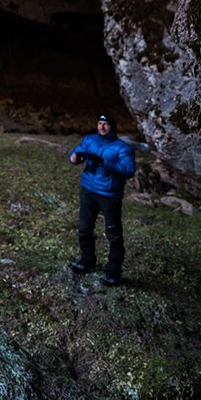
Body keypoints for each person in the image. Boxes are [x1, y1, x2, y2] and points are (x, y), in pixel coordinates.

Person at [67, 114, 137, 286]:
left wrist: (105, 162)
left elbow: (129, 170)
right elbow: (75, 154)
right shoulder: (90, 140)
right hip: (88, 191)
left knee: (113, 234)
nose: (102, 127)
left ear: (112, 127)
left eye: (105, 124)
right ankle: (87, 262)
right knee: (84, 228)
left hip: (109, 194)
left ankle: (113, 273)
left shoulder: (122, 148)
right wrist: (75, 157)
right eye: (99, 123)